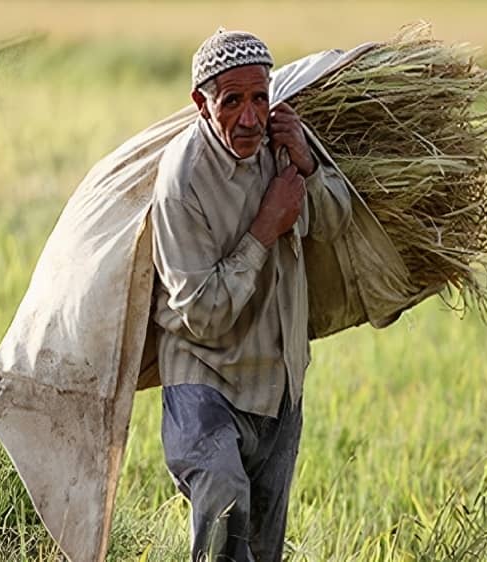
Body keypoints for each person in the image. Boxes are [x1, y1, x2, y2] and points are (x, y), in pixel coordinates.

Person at [150, 29, 353, 561]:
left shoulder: (282, 147)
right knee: (223, 509)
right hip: (204, 378)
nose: (249, 118)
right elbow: (200, 313)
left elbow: (336, 223)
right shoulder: (182, 181)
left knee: (264, 549)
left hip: (278, 381)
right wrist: (266, 226)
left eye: (259, 98)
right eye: (231, 101)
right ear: (201, 104)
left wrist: (308, 166)